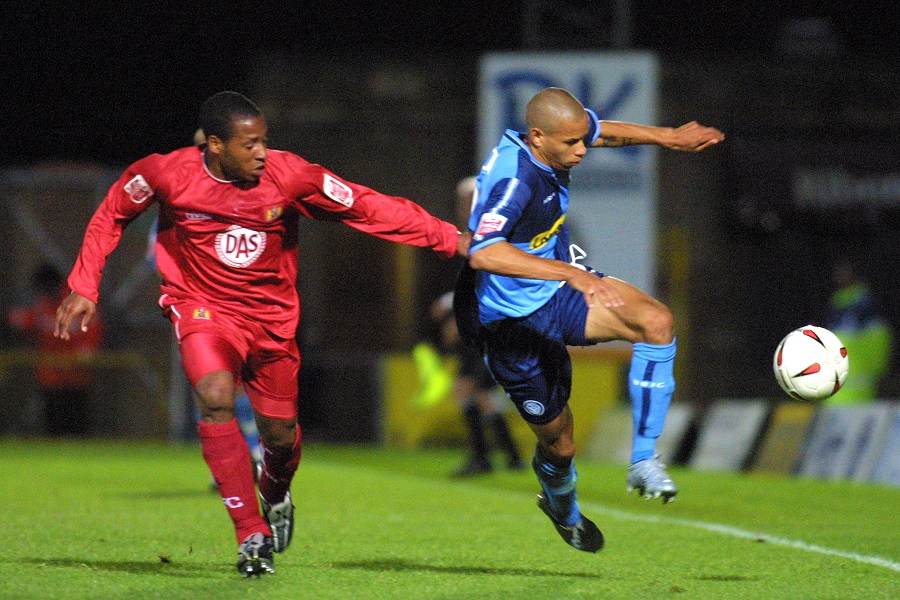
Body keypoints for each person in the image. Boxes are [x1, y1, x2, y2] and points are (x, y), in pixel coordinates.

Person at [54, 91, 469, 577]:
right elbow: (112, 215)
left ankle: (275, 493)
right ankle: (249, 532)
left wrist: (447, 238)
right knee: (214, 395)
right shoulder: (165, 173)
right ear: (215, 145)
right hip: (202, 308)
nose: (261, 152)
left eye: (264, 142)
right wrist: (83, 286)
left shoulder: (289, 176)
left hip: (272, 321)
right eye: (249, 144)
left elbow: (364, 204)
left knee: (281, 436)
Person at [455, 87, 723, 552]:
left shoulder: (553, 144)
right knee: (559, 443)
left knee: (655, 322)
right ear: (538, 137)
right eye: (572, 144)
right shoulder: (514, 179)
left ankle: (643, 459)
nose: (582, 150)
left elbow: (605, 131)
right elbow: (483, 252)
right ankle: (562, 506)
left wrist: (668, 137)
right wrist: (567, 272)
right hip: (511, 325)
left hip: (558, 291)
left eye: (583, 140)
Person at [433, 177, 522, 477]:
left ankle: (484, 458)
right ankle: (510, 457)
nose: (463, 206)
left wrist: (461, 318)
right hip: (488, 329)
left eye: (468, 199)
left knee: (468, 390)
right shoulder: (476, 235)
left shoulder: (490, 233)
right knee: (482, 396)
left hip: (491, 329)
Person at [8, 262, 103, 436]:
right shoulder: (41, 307)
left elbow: (92, 335)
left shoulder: (76, 304)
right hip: (49, 380)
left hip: (76, 380)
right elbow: (20, 320)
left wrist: (85, 354)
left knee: (76, 430)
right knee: (52, 431)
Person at [825, 256, 893, 404]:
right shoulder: (839, 303)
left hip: (858, 390)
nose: (841, 277)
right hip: (835, 391)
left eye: (845, 272)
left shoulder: (864, 304)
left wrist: (873, 372)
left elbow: (880, 341)